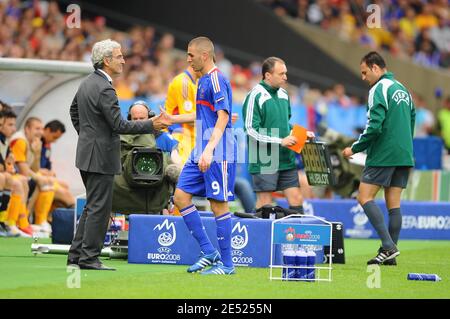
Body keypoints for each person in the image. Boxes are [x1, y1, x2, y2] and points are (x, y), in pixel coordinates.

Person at [67, 39, 171, 271]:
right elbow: (119, 125)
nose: (124, 59)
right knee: (100, 208)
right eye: (119, 55)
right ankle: (89, 259)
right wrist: (151, 124)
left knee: (92, 205)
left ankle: (76, 256)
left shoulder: (87, 83)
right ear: (106, 60)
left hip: (87, 153)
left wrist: (88, 136)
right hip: (100, 157)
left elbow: (74, 111)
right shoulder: (104, 87)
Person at [342, 51, 415, 266]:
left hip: (384, 154)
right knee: (394, 204)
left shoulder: (378, 89)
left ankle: (389, 245)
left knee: (364, 197)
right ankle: (389, 255)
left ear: (376, 68)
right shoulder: (403, 90)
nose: (364, 78)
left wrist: (355, 148)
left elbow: (374, 126)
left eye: (365, 72)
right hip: (404, 154)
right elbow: (411, 123)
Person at [172, 36, 236, 275]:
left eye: (191, 55)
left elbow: (223, 117)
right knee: (180, 197)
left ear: (204, 55)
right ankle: (209, 252)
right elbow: (201, 116)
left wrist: (209, 149)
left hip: (217, 151)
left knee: (218, 205)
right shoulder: (202, 81)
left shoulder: (217, 79)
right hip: (201, 149)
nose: (188, 59)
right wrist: (172, 119)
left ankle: (228, 265)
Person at [242, 57, 314, 214]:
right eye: (281, 74)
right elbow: (250, 130)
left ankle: (295, 238)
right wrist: (280, 141)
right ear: (268, 75)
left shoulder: (284, 94)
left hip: (286, 159)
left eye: (285, 73)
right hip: (263, 159)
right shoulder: (255, 95)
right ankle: (260, 238)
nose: (286, 77)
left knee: (296, 198)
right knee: (265, 202)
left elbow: (285, 125)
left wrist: (302, 134)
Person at [9, 117, 55, 236]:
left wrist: (37, 152)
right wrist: (40, 177)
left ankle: (38, 221)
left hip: (18, 176)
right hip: (13, 176)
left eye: (41, 129)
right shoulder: (20, 140)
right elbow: (24, 171)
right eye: (37, 128)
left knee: (46, 181)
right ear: (27, 129)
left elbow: (35, 168)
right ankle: (21, 221)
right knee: (35, 181)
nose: (40, 132)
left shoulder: (33, 142)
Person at [40, 120, 75, 209]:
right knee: (66, 195)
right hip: (38, 177)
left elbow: (47, 165)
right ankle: (76, 215)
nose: (55, 141)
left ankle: (51, 216)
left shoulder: (47, 146)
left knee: (65, 185)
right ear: (47, 130)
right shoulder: (36, 143)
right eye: (54, 137)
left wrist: (50, 172)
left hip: (45, 177)